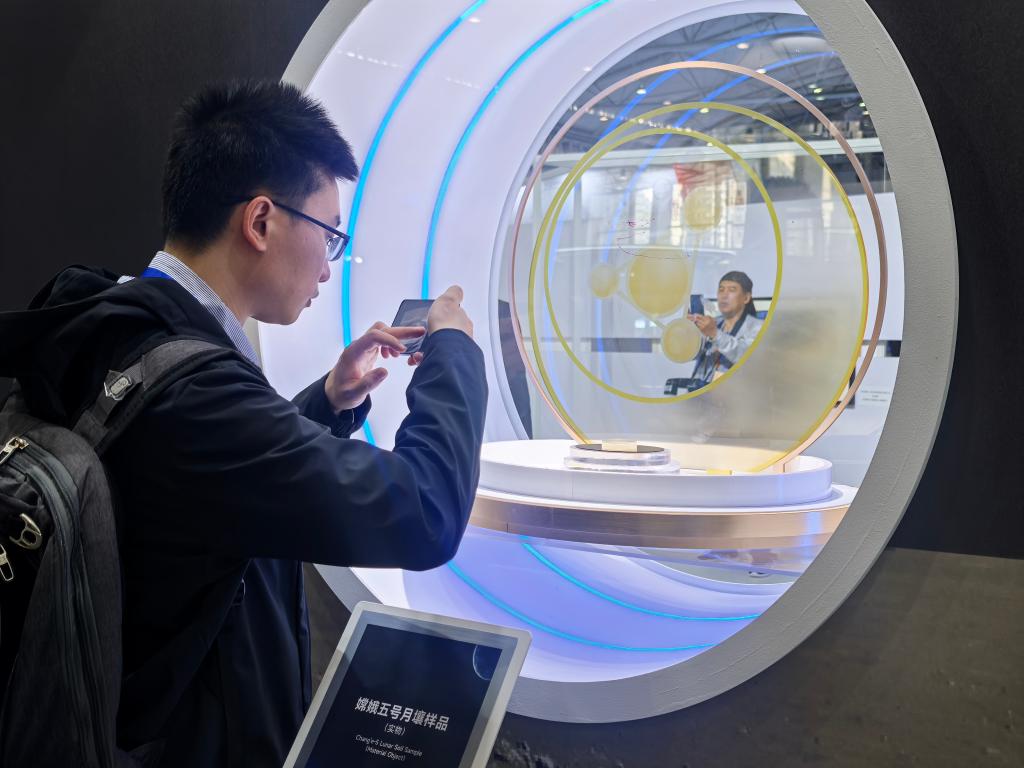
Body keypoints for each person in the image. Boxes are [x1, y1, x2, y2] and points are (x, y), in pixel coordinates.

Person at [0, 81, 486, 767]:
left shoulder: (112, 325)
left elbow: (202, 486)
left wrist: (329, 400)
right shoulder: (197, 398)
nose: (329, 267)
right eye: (330, 235)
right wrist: (455, 350)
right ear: (260, 221)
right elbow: (425, 510)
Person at [687, 270, 763, 390]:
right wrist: (688, 331)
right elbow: (692, 356)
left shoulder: (758, 327)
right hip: (701, 393)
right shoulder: (714, 323)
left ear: (746, 297)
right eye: (721, 290)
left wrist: (715, 334)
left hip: (733, 395)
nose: (724, 295)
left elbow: (748, 358)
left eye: (732, 290)